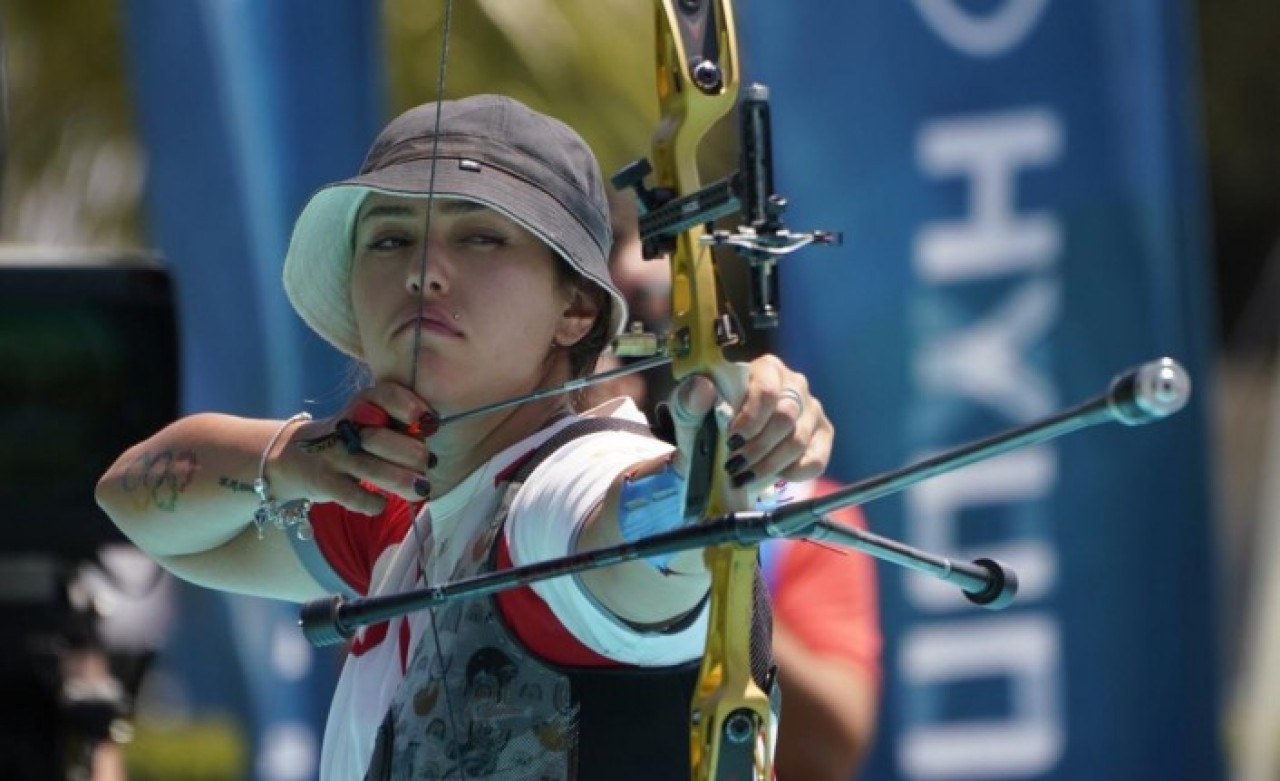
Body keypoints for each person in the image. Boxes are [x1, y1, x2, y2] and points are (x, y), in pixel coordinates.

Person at [95, 94, 834, 781]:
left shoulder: (562, 492)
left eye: (480, 235)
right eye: (389, 239)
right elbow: (134, 503)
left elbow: (638, 537)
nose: (423, 270)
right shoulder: (398, 512)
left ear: (576, 307)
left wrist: (718, 465)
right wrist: (295, 460)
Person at [601, 194, 882, 781]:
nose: (641, 348)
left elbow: (830, 750)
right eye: (614, 321)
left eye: (661, 320)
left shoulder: (801, 512)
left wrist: (717, 561)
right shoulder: (506, 472)